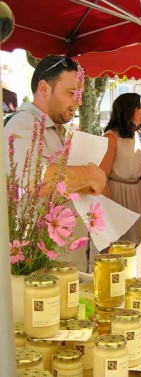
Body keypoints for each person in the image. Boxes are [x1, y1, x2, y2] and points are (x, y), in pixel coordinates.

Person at [4, 55, 106, 272]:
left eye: (80, 95)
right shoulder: (23, 125)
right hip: (40, 268)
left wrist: (81, 182)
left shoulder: (54, 129)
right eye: (72, 93)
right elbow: (36, 181)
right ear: (44, 88)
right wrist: (89, 174)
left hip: (61, 264)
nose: (78, 102)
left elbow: (61, 185)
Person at [100, 93, 141, 245]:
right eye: (139, 107)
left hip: (137, 194)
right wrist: (110, 211)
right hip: (120, 195)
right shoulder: (111, 138)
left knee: (139, 242)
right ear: (129, 110)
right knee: (124, 243)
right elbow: (102, 176)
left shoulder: (134, 135)